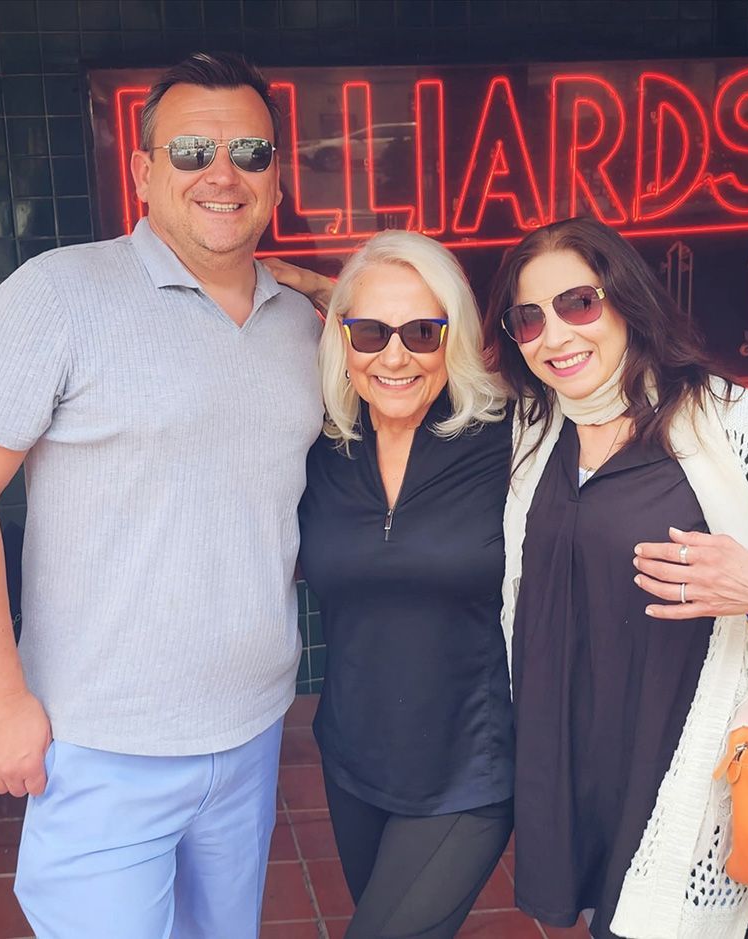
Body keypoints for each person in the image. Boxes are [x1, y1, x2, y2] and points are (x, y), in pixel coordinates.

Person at [0, 52, 323, 938]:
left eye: (250, 153)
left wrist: (336, 293)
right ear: (143, 170)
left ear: (275, 176)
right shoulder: (58, 296)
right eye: (190, 150)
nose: (222, 173)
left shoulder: (303, 325)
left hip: (254, 729)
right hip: (99, 741)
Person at [482, 216, 748, 939]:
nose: (555, 336)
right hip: (574, 768)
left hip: (689, 773)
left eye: (578, 304)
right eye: (528, 318)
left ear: (624, 300)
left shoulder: (730, 421)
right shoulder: (533, 428)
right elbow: (415, 348)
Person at [295, 231, 515, 939]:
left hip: (467, 767)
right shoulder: (321, 444)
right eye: (370, 332)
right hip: (354, 757)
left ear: (455, 339)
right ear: (342, 339)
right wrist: (307, 286)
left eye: (423, 331)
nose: (395, 355)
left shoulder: (510, 435)